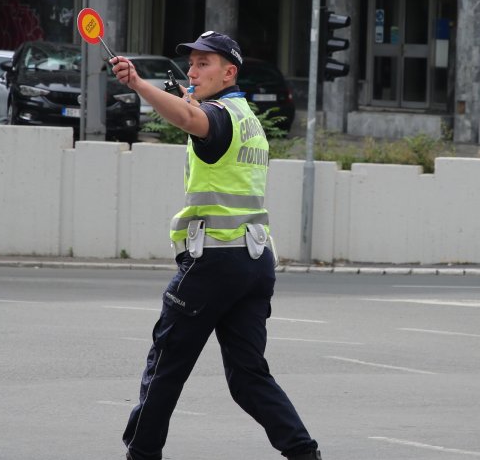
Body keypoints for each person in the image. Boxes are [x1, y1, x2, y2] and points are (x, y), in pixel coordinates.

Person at [109, 31, 321, 460]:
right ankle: (304, 454)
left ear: (230, 71)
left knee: (165, 367)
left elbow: (193, 122)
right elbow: (199, 118)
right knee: (248, 378)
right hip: (255, 262)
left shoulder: (219, 116)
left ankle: (141, 455)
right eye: (191, 63)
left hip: (214, 262)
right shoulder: (248, 118)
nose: (192, 70)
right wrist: (187, 101)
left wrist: (139, 84)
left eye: (204, 63)